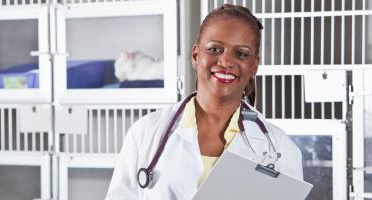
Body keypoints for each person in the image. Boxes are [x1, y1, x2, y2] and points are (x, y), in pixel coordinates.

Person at [105, 4, 303, 200]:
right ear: (195, 55)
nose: (226, 62)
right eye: (215, 49)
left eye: (241, 53)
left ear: (254, 65)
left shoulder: (281, 150)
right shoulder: (144, 133)